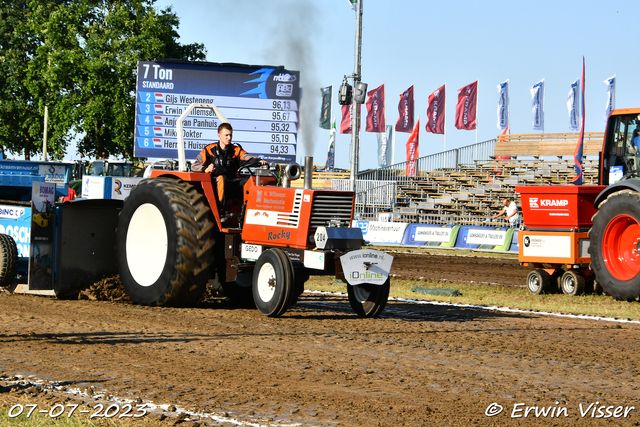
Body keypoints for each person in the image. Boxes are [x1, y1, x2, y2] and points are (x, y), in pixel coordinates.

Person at [192, 122, 267, 214]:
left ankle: (251, 212)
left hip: (232, 180)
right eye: (226, 135)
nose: (229, 138)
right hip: (214, 181)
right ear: (219, 135)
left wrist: (258, 161)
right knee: (222, 179)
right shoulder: (209, 149)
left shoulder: (236, 150)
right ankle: (220, 211)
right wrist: (206, 169)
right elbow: (194, 165)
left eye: (230, 135)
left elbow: (246, 157)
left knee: (250, 181)